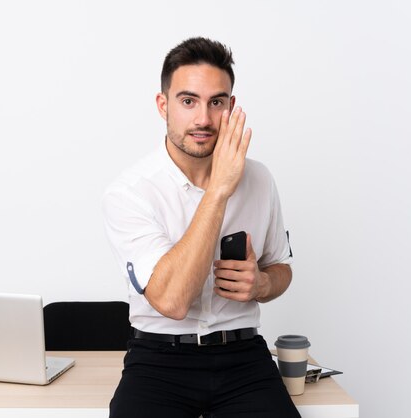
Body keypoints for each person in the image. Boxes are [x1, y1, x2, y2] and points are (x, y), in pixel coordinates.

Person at [102, 37, 300, 418]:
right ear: (164, 106)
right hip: (159, 360)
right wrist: (220, 188)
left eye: (217, 102)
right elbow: (173, 301)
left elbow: (281, 268)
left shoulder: (259, 179)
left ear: (231, 106)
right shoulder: (129, 192)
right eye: (188, 101)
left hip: (243, 358)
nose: (204, 120)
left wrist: (262, 284)